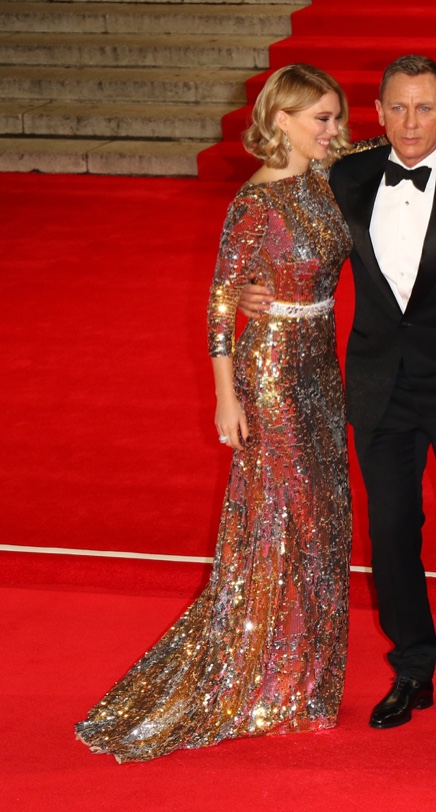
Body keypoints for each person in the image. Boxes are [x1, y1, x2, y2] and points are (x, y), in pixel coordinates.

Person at [75, 64, 361, 762]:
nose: (334, 130)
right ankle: (255, 679)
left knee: (326, 521)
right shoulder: (254, 202)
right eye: (320, 118)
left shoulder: (326, 174)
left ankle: (305, 679)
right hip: (270, 374)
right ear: (283, 119)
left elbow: (395, 149)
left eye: (335, 118)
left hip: (322, 367)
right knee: (287, 514)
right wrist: (225, 397)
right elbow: (221, 304)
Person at [241, 55, 436, 729]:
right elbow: (283, 218)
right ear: (378, 113)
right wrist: (255, 281)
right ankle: (413, 669)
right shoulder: (348, 174)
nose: (411, 122)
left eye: (426, 108)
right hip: (378, 388)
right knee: (394, 531)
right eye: (397, 107)